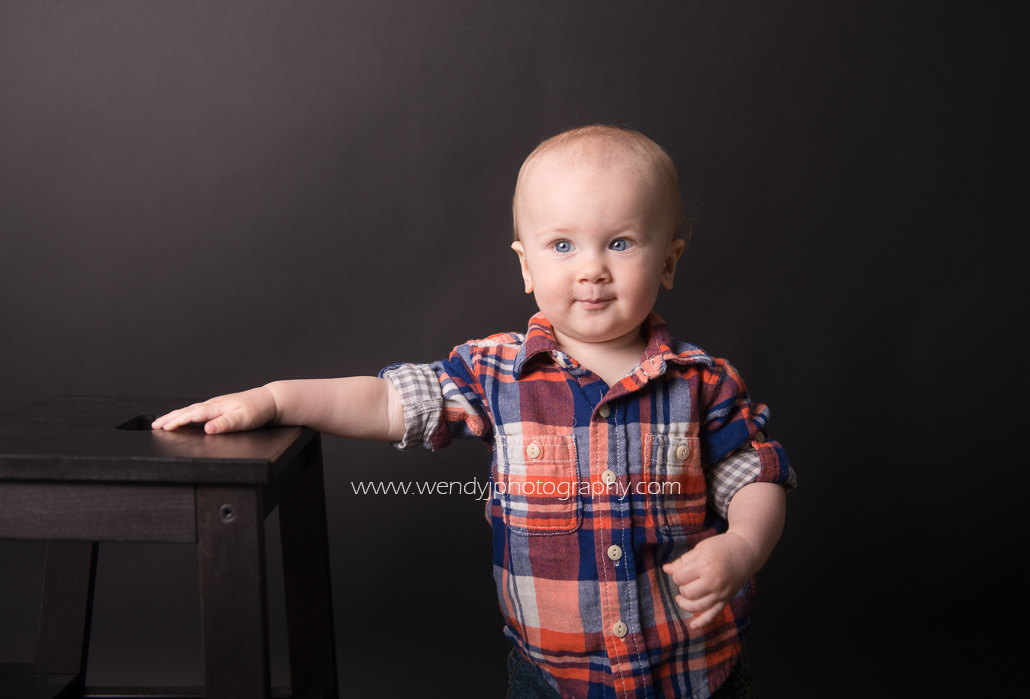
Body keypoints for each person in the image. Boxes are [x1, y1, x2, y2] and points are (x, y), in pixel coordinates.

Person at [153, 124, 796, 698]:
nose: (593, 270)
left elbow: (755, 477)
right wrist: (274, 398)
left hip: (694, 668)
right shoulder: (497, 372)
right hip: (552, 674)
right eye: (563, 246)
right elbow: (388, 402)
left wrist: (742, 546)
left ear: (669, 261)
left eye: (622, 243)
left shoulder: (703, 382)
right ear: (526, 264)